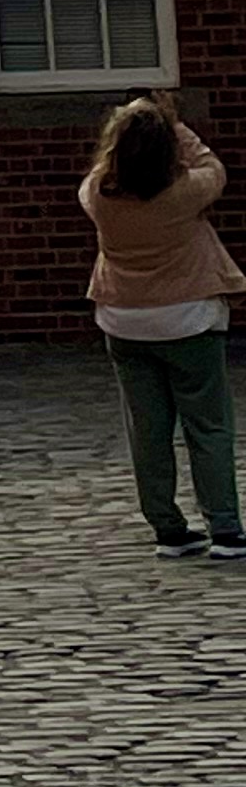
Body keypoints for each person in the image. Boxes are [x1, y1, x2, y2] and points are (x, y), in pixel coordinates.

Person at [79, 95, 243, 559]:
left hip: (123, 318)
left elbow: (99, 172)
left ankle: (168, 528)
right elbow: (213, 168)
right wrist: (175, 125)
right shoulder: (185, 192)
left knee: (147, 431)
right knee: (208, 426)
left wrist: (133, 127)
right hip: (189, 317)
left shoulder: (98, 195)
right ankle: (224, 528)